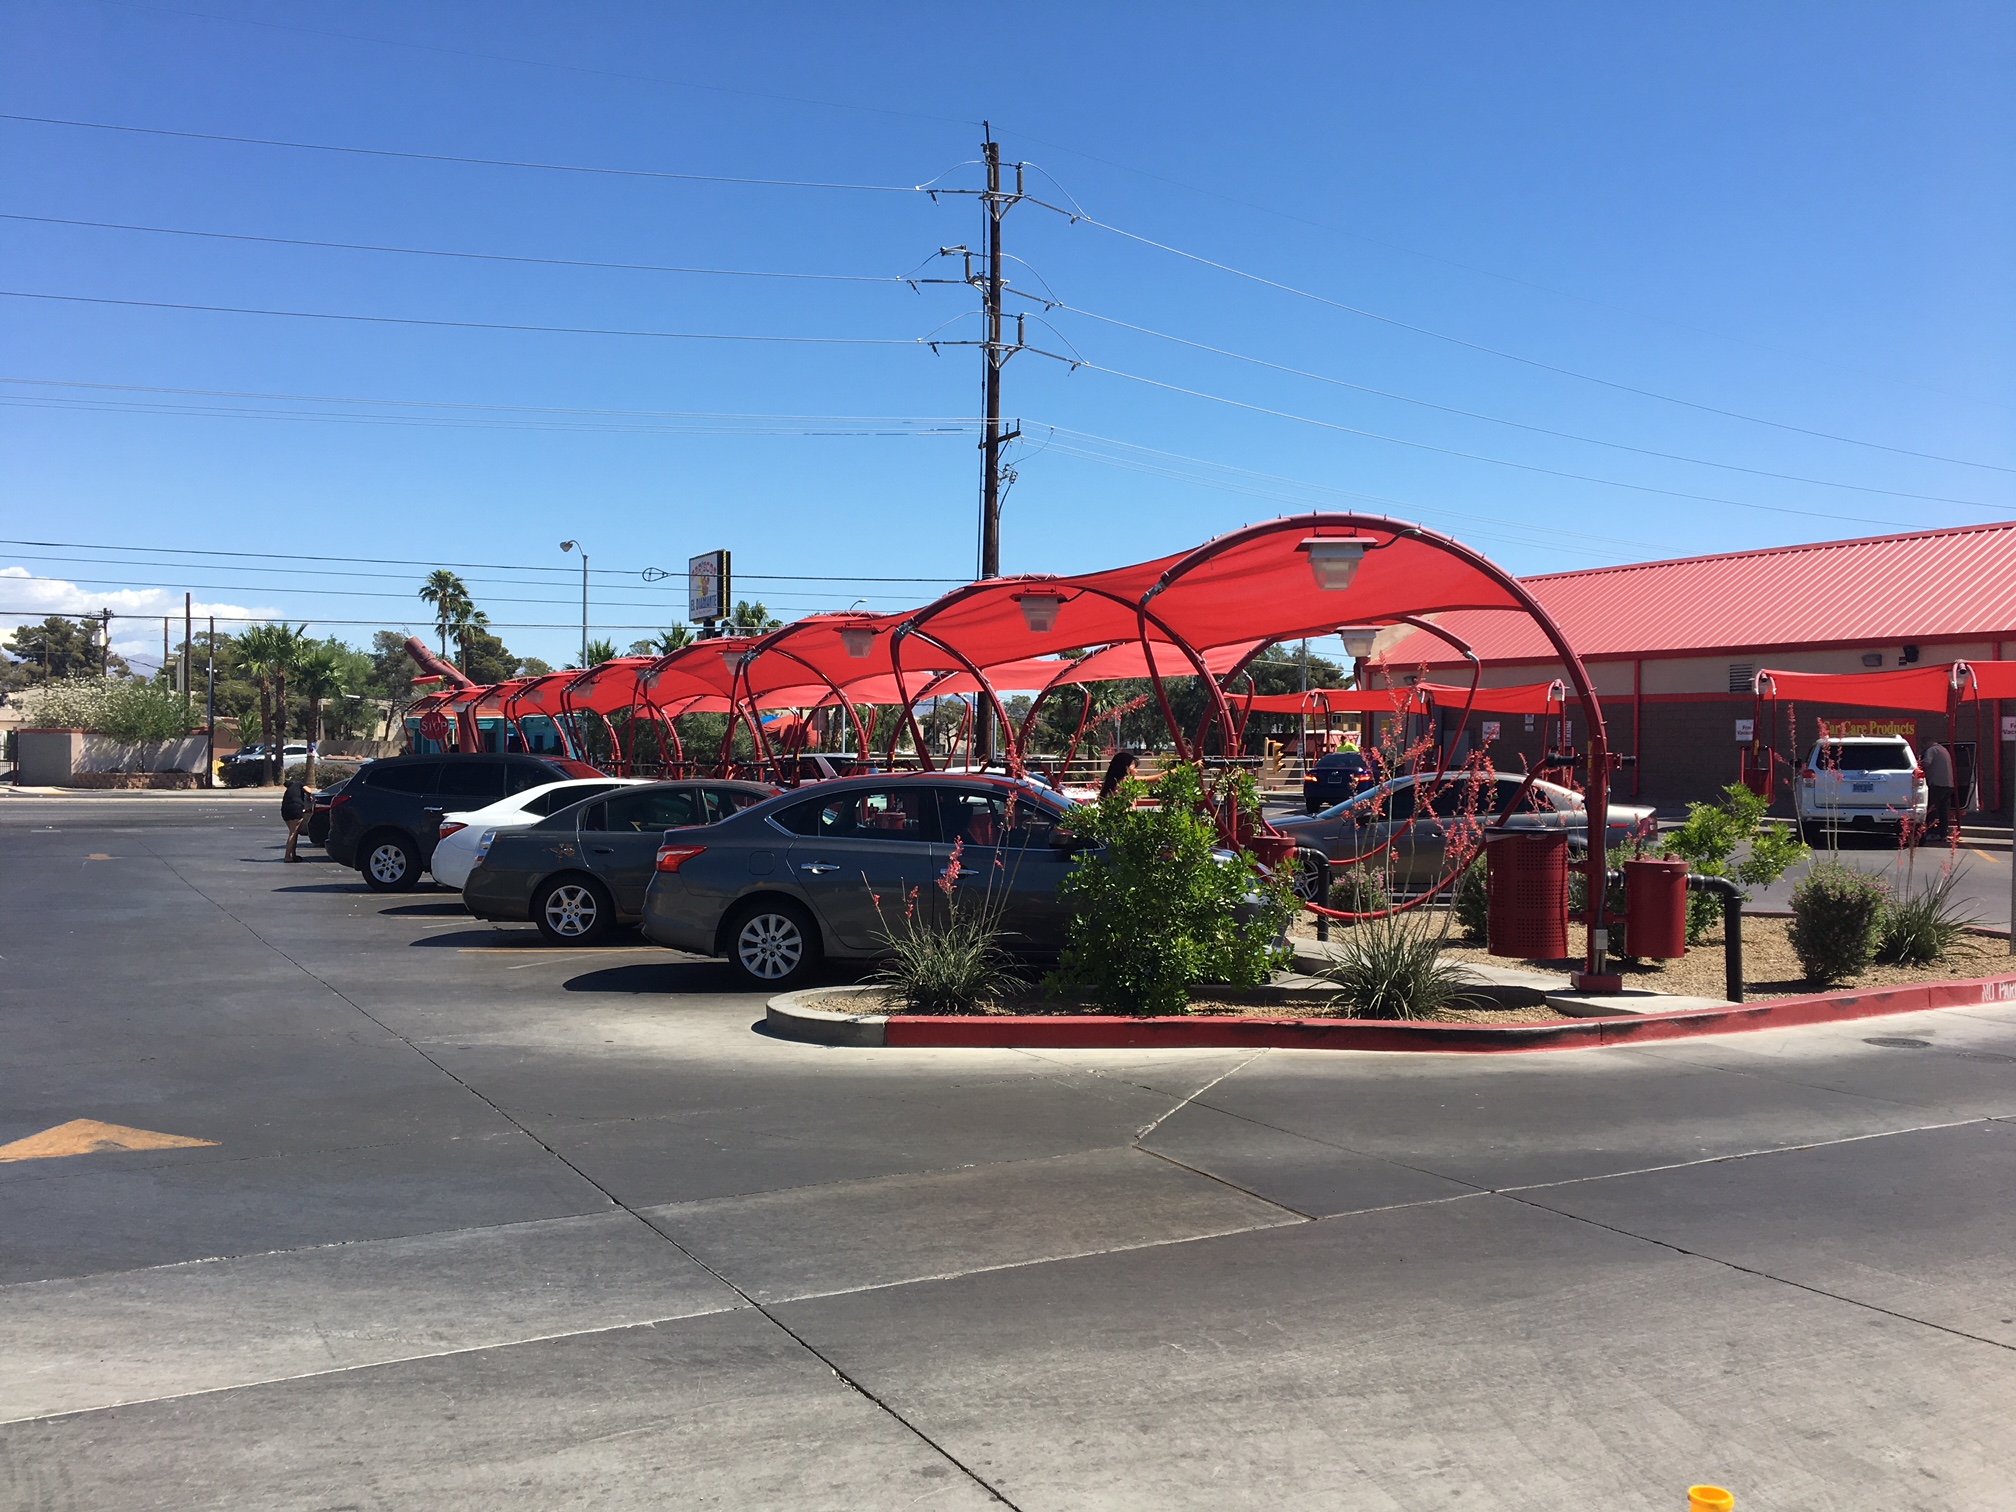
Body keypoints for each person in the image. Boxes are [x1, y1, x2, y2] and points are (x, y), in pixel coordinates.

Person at [1922, 739, 1956, 844]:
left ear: (1927, 743)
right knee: (1944, 811)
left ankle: (1932, 833)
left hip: (1936, 784)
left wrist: (1918, 762)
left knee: (1932, 809)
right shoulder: (1944, 750)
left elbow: (1927, 763)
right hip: (1948, 785)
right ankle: (1943, 834)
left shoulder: (1931, 750)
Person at [281, 778, 310, 862]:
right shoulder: (299, 784)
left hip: (285, 810)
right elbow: (309, 791)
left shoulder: (289, 790)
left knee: (294, 833)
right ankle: (287, 856)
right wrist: (309, 797)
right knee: (293, 834)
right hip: (295, 808)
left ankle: (293, 855)